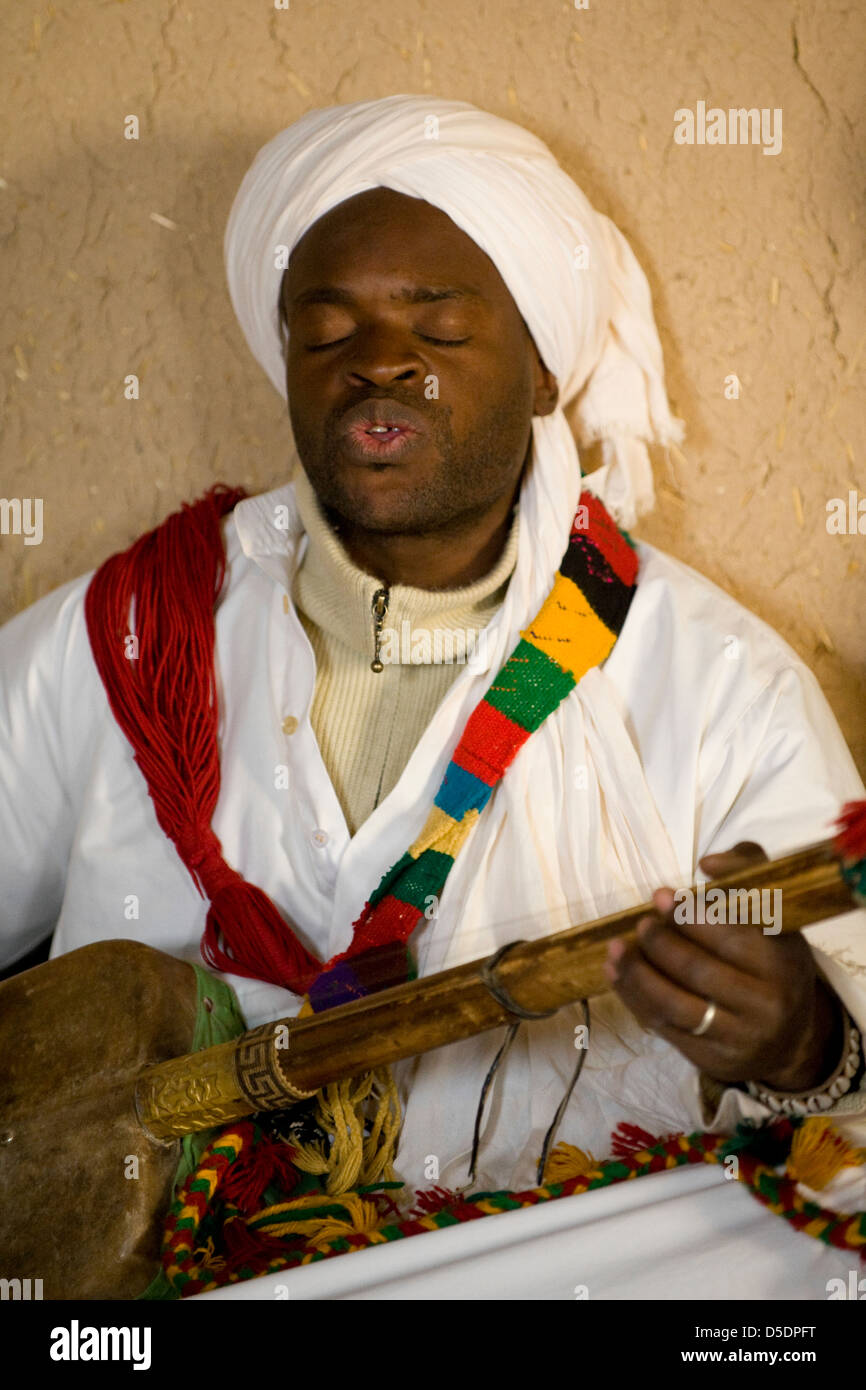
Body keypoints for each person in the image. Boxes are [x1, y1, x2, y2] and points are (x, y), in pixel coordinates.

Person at [1, 95, 863, 1199]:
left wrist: (796, 1042)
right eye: (326, 329)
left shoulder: (711, 685)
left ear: (544, 371)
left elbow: (842, 1085)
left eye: (439, 326)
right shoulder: (131, 639)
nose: (379, 361)